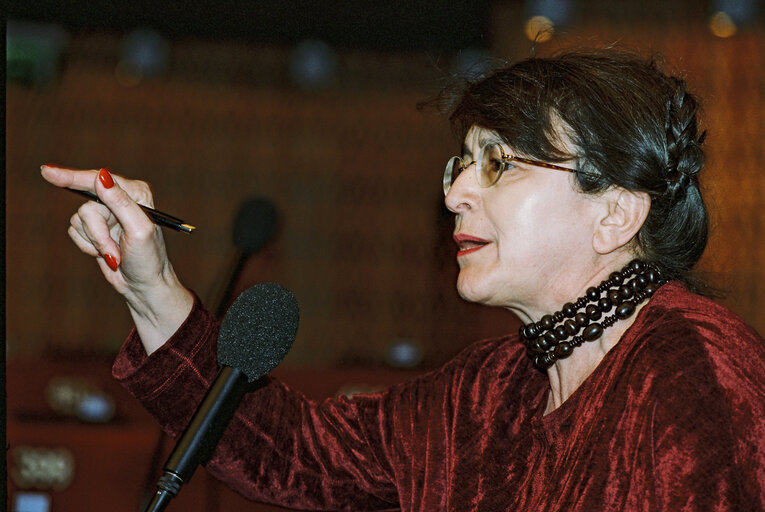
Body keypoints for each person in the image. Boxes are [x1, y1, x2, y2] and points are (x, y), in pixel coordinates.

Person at [41, 48, 764, 511]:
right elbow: (290, 451)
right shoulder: (490, 387)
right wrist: (149, 283)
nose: (454, 193)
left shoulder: (690, 368)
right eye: (462, 162)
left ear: (613, 214)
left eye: (499, 164)